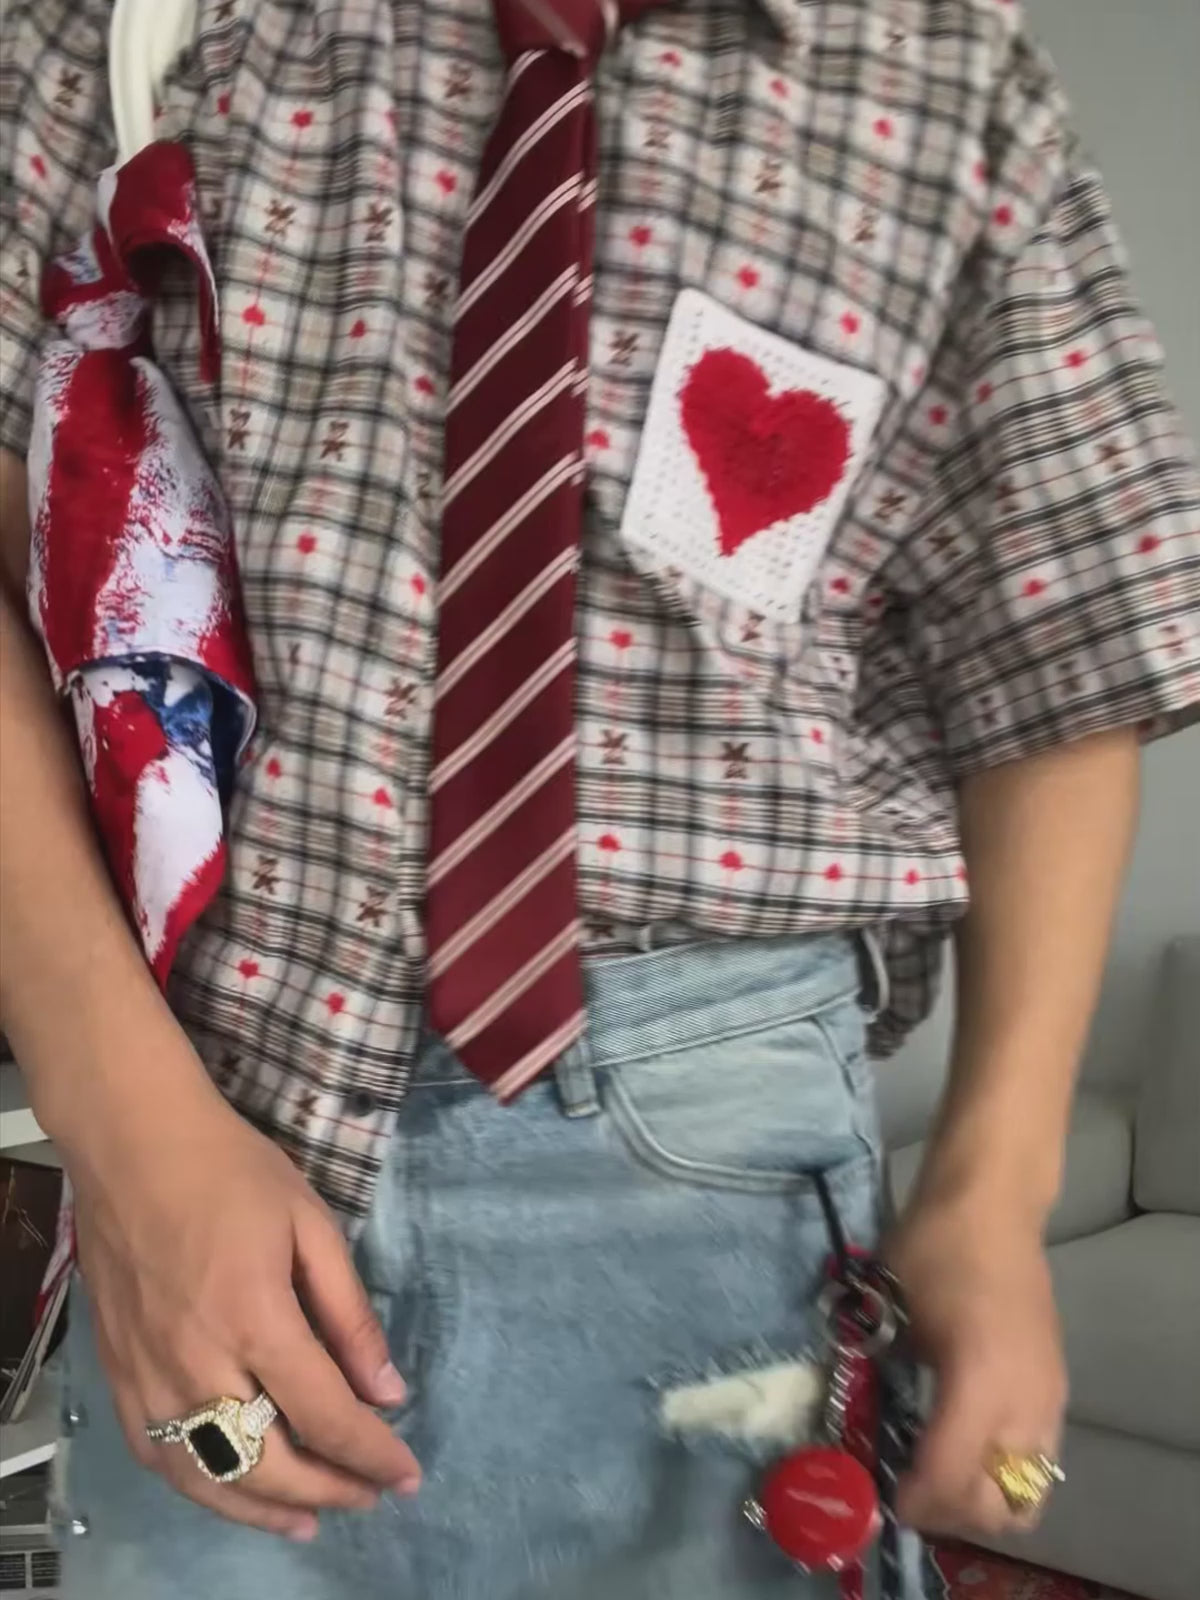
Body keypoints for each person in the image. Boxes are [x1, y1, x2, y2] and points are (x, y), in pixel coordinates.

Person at [0, 0, 1196, 1596]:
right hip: (205, 1126)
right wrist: (122, 1125)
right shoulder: (139, 28)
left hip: (713, 1174)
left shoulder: (941, 80)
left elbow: (1060, 645)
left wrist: (996, 1183)